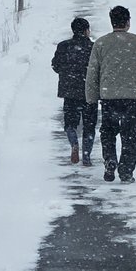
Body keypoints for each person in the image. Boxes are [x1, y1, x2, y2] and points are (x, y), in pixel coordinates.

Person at [84, 5, 136, 183]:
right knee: (130, 136)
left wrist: (91, 97)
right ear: (128, 22)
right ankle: (126, 171)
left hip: (108, 97)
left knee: (108, 132)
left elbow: (92, 72)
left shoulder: (101, 43)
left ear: (112, 22)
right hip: (132, 97)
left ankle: (110, 159)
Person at [51, 16, 97, 165]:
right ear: (86, 31)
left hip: (70, 92)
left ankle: (74, 143)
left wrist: (67, 73)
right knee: (89, 126)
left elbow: (55, 66)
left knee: (70, 124)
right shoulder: (94, 48)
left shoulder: (63, 46)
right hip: (89, 92)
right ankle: (87, 155)